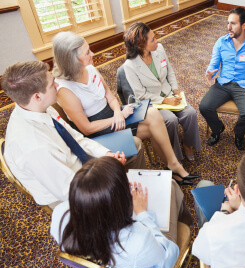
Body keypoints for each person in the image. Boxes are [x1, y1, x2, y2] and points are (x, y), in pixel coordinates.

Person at [51, 31, 198, 185]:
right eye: (87, 52)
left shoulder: (90, 68)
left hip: (114, 116)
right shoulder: (64, 89)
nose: (93, 53)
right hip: (99, 131)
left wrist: (117, 112)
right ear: (72, 60)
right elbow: (86, 128)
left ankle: (173, 166)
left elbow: (109, 95)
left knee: (154, 114)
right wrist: (116, 117)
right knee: (155, 128)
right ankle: (172, 169)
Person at [1, 61, 142, 208]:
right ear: (37, 96)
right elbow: (71, 190)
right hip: (73, 197)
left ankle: (133, 191)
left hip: (78, 165)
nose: (58, 85)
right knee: (137, 200)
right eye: (52, 84)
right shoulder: (34, 147)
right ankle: (130, 205)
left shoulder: (38, 107)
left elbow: (75, 138)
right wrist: (107, 171)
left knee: (135, 144)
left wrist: (105, 154)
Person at [50, 157, 192, 268]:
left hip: (110, 265)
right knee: (171, 186)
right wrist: (142, 213)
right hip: (151, 267)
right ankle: (188, 223)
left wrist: (107, 173)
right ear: (120, 202)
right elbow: (166, 256)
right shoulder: (138, 239)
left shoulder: (59, 214)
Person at [121, 22, 202, 162]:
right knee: (171, 121)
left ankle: (187, 144)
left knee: (190, 113)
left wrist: (175, 89)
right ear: (141, 45)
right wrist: (164, 101)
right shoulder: (130, 66)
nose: (157, 41)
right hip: (153, 103)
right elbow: (140, 95)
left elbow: (169, 71)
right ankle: (173, 155)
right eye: (152, 39)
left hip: (169, 93)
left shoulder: (159, 49)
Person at [199, 7, 245, 150]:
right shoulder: (221, 42)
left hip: (244, 86)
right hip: (223, 84)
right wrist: (210, 71)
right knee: (204, 107)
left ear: (244, 25)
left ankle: (238, 134)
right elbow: (214, 62)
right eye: (228, 23)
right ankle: (217, 129)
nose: (228, 27)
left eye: (233, 24)